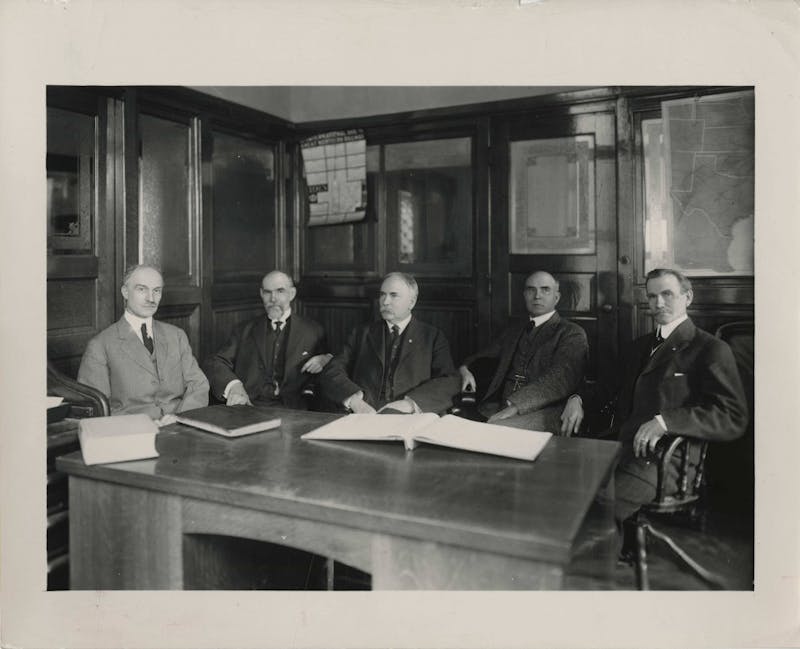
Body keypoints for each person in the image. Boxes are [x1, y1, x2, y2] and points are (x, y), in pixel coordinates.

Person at [560, 268, 747, 523]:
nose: (658, 303)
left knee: (596, 512)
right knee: (561, 491)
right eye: (652, 296)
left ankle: (605, 556)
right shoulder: (639, 347)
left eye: (667, 294)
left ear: (687, 297)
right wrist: (578, 399)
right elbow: (606, 388)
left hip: (666, 460)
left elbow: (732, 416)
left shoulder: (710, 349)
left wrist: (667, 421)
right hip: (622, 449)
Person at [458, 271, 588, 434]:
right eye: (531, 290)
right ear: (524, 295)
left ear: (557, 297)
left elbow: (560, 379)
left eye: (545, 289)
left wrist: (516, 406)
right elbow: (484, 355)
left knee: (495, 432)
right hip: (499, 405)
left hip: (545, 410)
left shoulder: (571, 333)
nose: (537, 296)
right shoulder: (514, 330)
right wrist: (465, 368)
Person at [77, 264, 209, 425]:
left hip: (181, 427)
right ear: (125, 292)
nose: (151, 299)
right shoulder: (100, 345)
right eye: (142, 289)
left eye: (156, 291)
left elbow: (199, 385)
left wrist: (180, 418)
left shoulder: (176, 335)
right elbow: (97, 408)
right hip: (132, 436)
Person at [320, 272, 460, 414]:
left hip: (410, 418)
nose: (385, 301)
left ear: (412, 302)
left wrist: (411, 404)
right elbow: (332, 371)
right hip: (365, 417)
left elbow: (449, 380)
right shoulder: (361, 334)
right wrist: (355, 401)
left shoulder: (432, 336)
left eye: (394, 295)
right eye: (382, 294)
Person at [204, 270, 331, 409]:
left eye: (280, 291)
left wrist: (326, 359)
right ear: (261, 294)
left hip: (294, 411)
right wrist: (234, 386)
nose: (273, 299)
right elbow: (215, 362)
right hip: (250, 407)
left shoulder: (313, 331)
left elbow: (333, 367)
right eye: (267, 292)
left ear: (292, 294)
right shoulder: (243, 330)